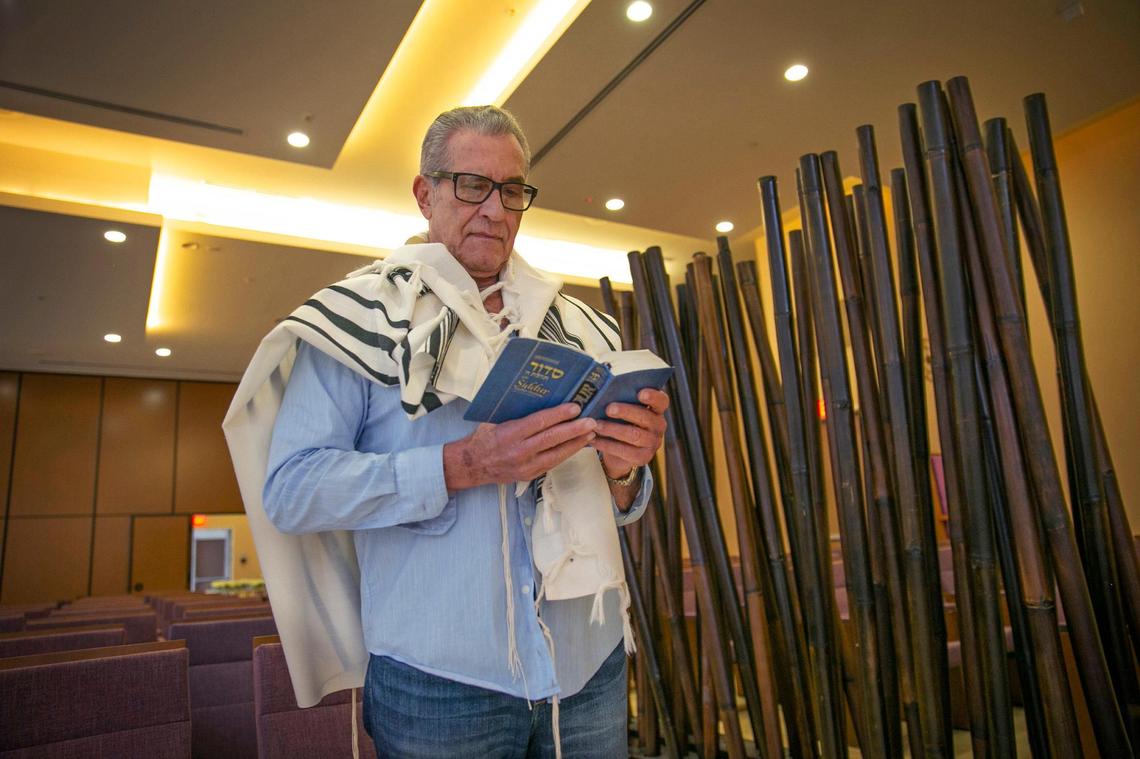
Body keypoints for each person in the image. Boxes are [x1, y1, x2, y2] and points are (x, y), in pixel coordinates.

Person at [237, 105, 667, 758]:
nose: (495, 209)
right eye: (472, 185)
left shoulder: (583, 328)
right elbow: (292, 489)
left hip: (590, 669)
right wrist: (462, 463)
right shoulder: (354, 321)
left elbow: (620, 503)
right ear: (425, 192)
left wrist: (625, 467)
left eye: (513, 190)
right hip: (437, 684)